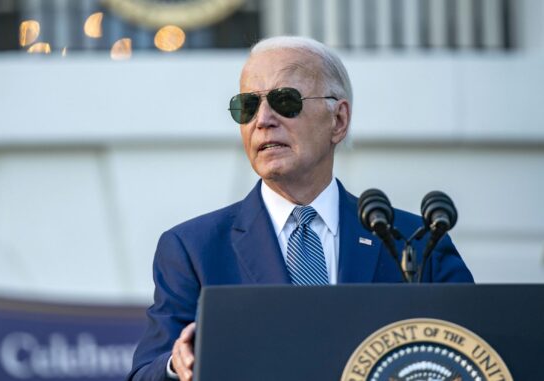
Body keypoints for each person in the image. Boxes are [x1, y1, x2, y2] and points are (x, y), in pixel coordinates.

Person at [126, 36, 473, 381]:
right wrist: (178, 366)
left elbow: (480, 351)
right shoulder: (193, 249)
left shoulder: (415, 243)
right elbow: (146, 372)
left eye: (285, 101)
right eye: (247, 106)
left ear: (338, 120)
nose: (262, 120)